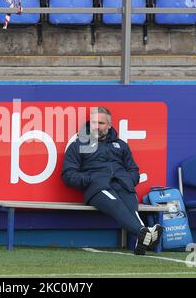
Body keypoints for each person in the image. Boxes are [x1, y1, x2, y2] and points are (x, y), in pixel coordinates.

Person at [61, 106, 163, 255]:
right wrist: (91, 180)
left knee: (132, 209)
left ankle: (142, 237)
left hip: (122, 184)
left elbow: (133, 170)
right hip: (97, 188)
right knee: (117, 205)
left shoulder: (121, 145)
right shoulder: (78, 145)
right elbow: (68, 175)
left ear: (109, 125)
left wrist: (129, 180)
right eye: (94, 122)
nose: (97, 126)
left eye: (101, 123)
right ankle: (144, 232)